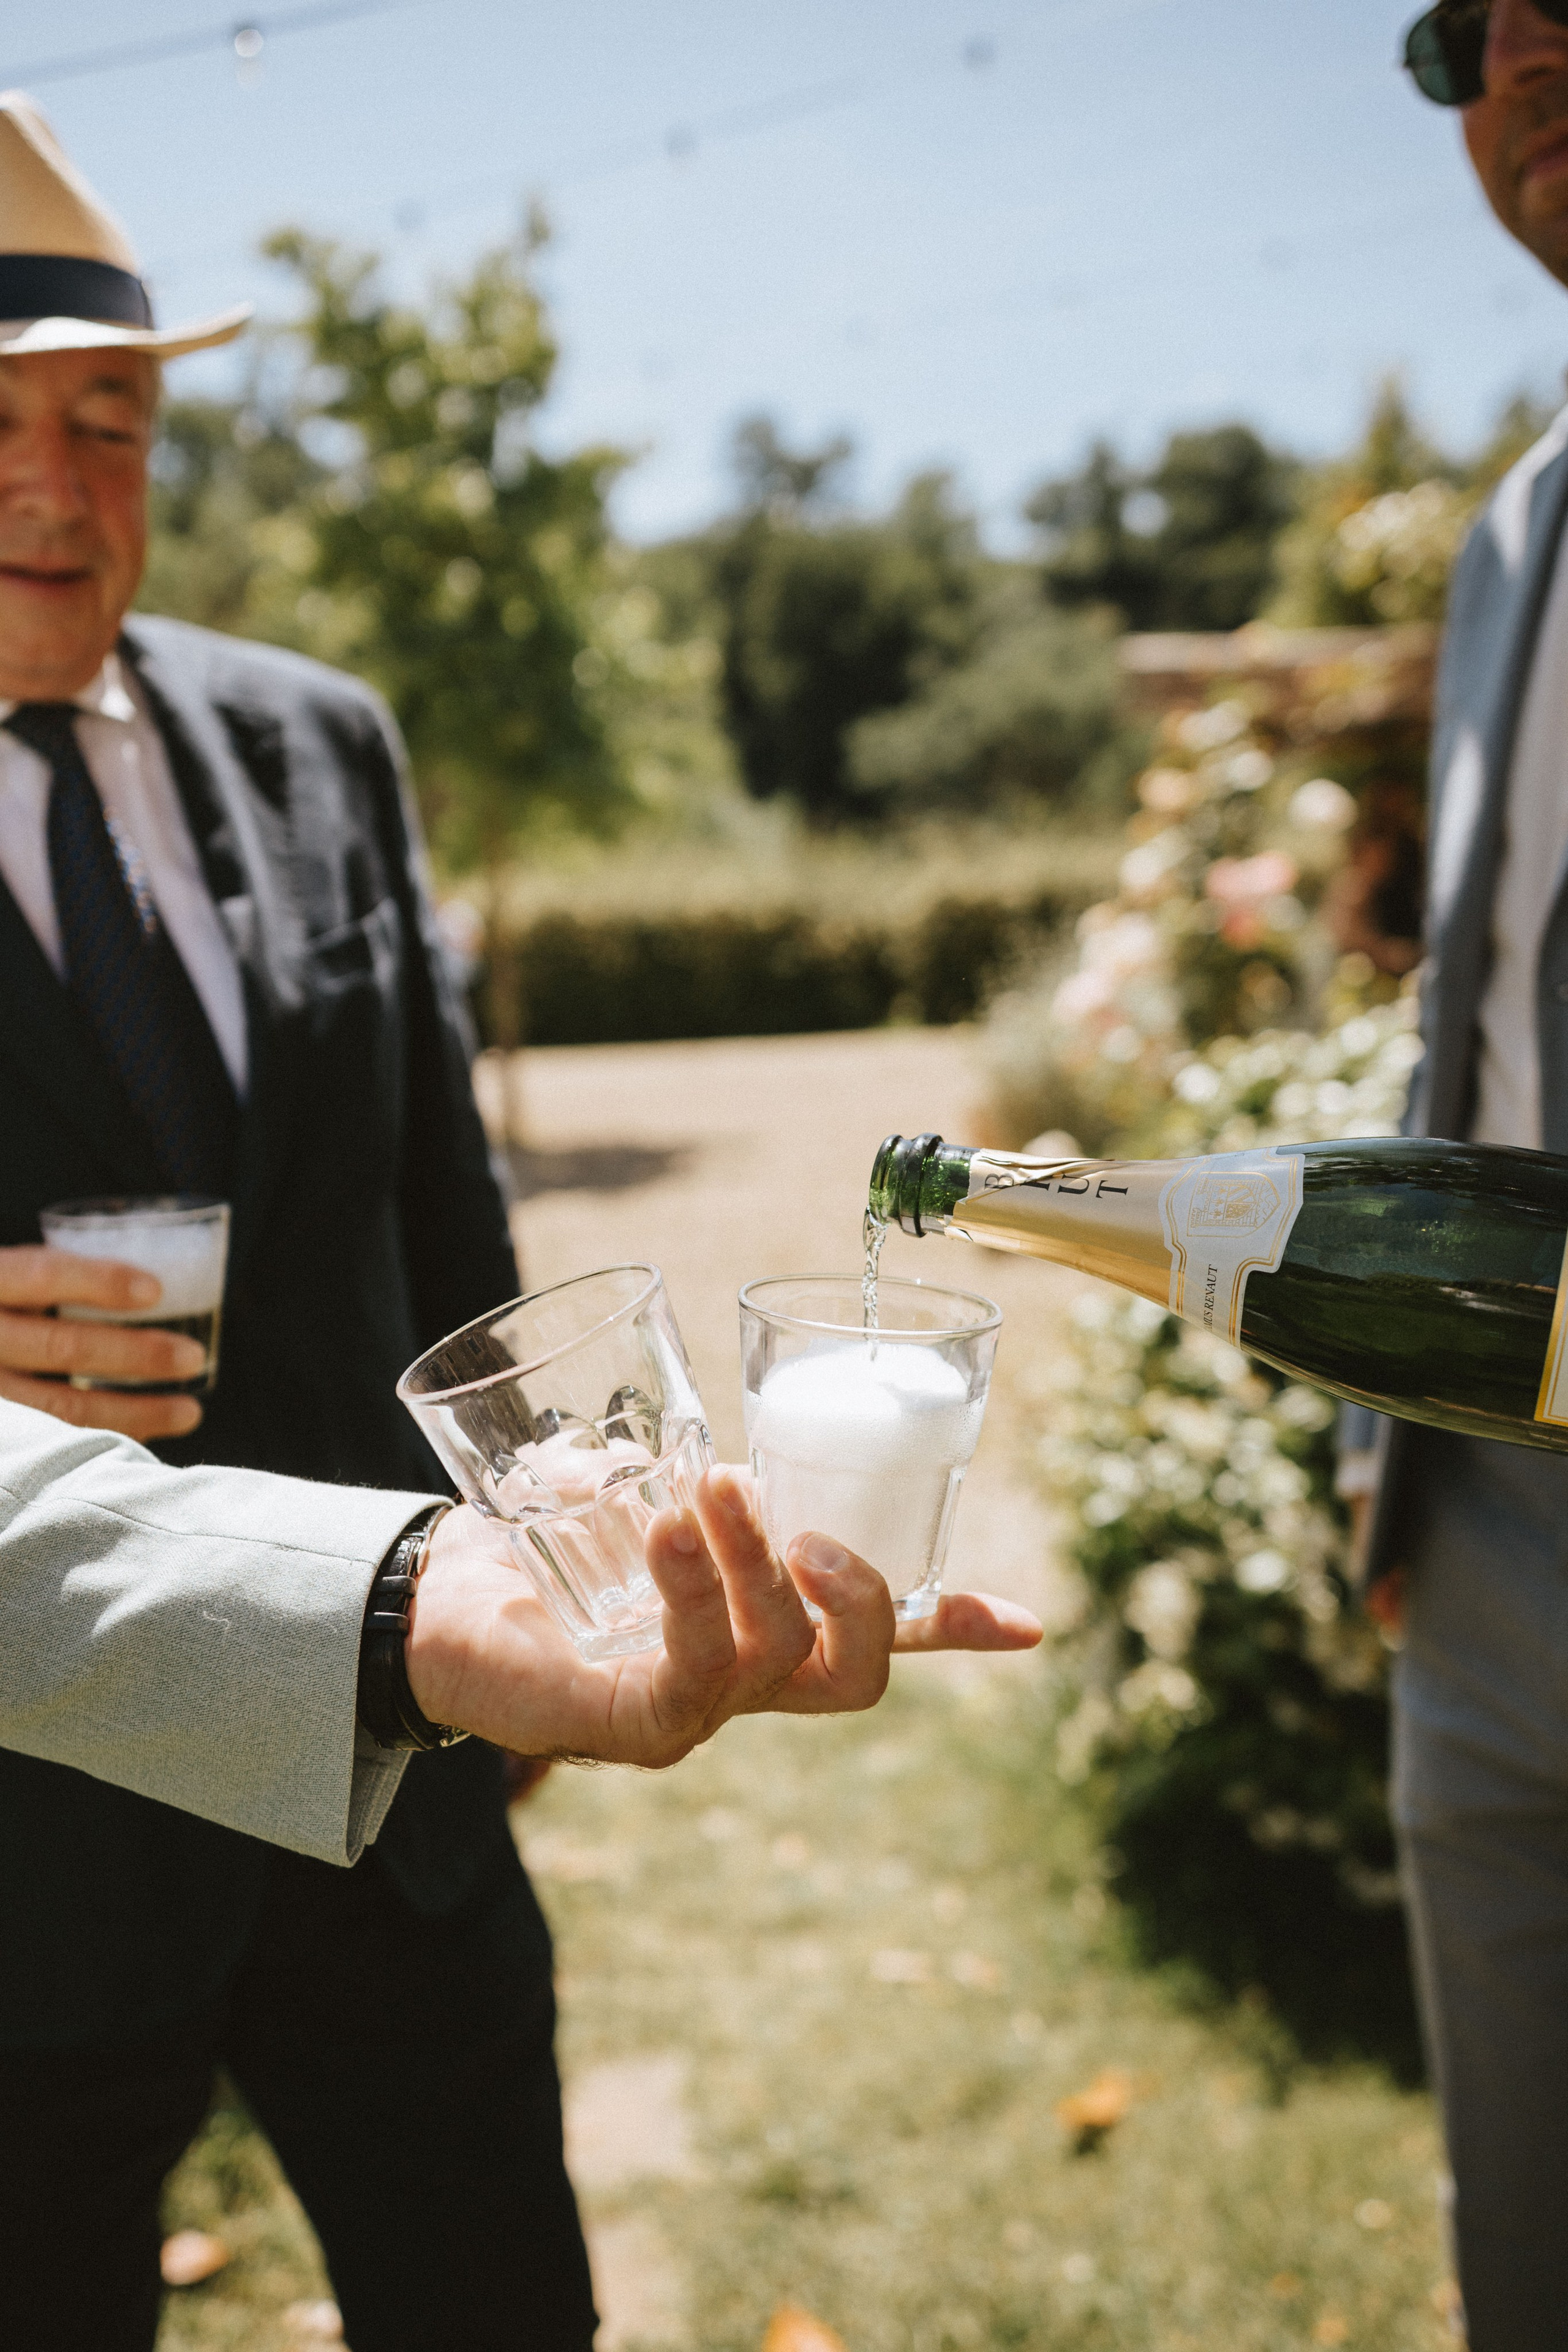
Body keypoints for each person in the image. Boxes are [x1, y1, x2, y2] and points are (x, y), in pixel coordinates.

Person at [0, 89, 1038, 2352]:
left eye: (111, 422)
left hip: (407, 1772)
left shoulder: (321, 739)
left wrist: (556, 1572)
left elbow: (444, 1205)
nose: (57, 490)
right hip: (28, 1829)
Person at [1343, 5, 1568, 2340]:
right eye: (1462, 35)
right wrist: (1387, 1457)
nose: (1518, 53)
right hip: (1490, 1515)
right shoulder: (1512, 536)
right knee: (1523, 2231)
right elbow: (1465, 1028)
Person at [0, 1387, 1035, 1860]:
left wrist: (433, 1605)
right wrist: (401, 1599)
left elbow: (451, 1238)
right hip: (61, 1834)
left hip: (433, 1812)